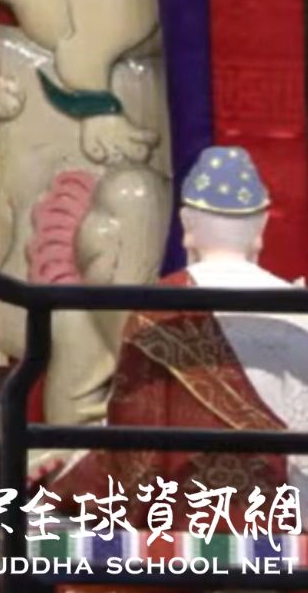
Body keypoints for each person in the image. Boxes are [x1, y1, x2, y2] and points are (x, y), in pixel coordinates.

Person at [46, 147, 308, 508]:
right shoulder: (299, 311)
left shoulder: (159, 310)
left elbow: (134, 455)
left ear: (187, 226)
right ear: (261, 227)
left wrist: (66, 486)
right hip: (283, 518)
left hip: (183, 520)